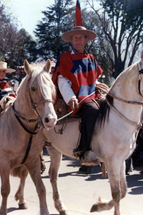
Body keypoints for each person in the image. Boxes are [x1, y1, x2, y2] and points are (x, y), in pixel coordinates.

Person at [52, 25, 103, 165]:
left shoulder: (91, 58)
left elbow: (93, 79)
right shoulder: (65, 58)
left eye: (81, 38)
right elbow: (62, 81)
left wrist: (99, 85)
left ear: (86, 40)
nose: (78, 41)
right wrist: (71, 98)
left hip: (93, 94)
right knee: (93, 110)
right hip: (78, 97)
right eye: (75, 38)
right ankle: (84, 149)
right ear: (71, 40)